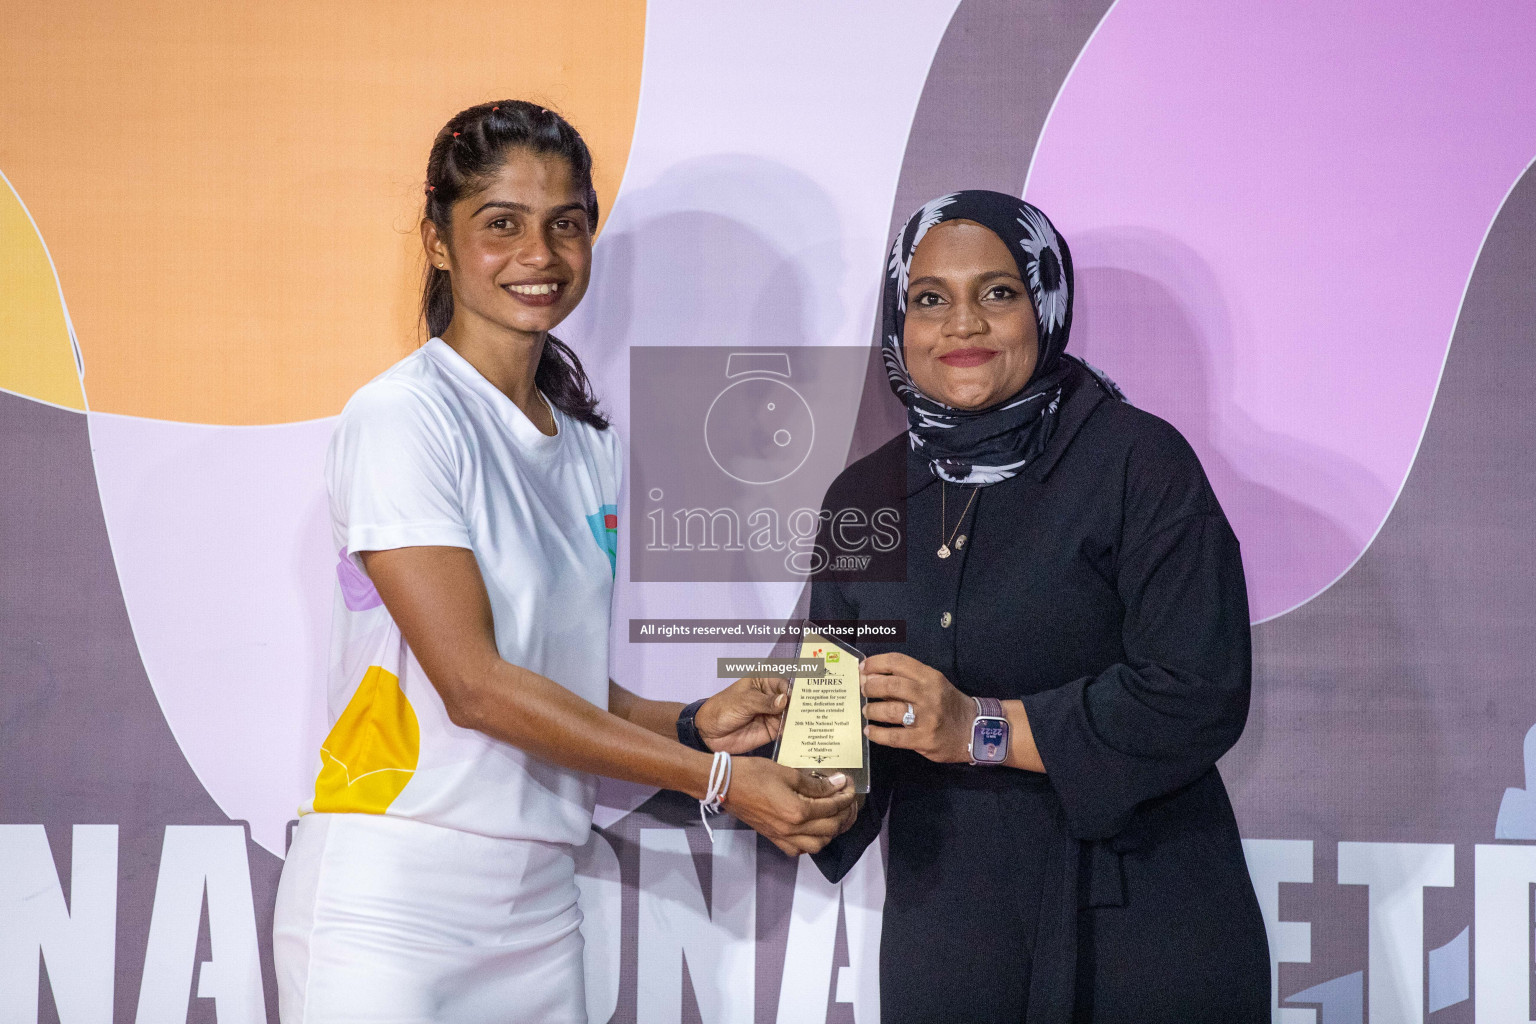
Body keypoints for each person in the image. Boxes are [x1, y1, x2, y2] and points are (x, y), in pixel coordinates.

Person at [272, 100, 857, 1024]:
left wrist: (694, 721)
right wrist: (718, 782)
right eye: (500, 224)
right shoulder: (403, 418)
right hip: (391, 905)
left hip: (540, 909)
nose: (538, 255)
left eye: (566, 224)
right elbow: (476, 688)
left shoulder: (587, 444)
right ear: (439, 240)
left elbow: (555, 680)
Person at [809, 190, 1271, 1022]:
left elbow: (1197, 690)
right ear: (897, 321)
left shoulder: (1138, 463)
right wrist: (782, 765)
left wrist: (980, 728)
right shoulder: (864, 496)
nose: (962, 327)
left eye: (997, 292)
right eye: (929, 299)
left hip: (1141, 916)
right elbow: (842, 729)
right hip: (949, 932)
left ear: (1045, 303)